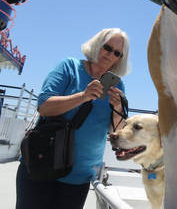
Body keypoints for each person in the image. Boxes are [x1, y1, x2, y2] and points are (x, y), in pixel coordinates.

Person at [16, 28, 131, 209]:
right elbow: (44, 106)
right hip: (41, 164)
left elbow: (117, 132)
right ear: (96, 45)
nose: (111, 55)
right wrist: (83, 96)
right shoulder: (69, 67)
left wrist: (117, 108)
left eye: (117, 53)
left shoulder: (118, 85)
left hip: (79, 177)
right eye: (107, 48)